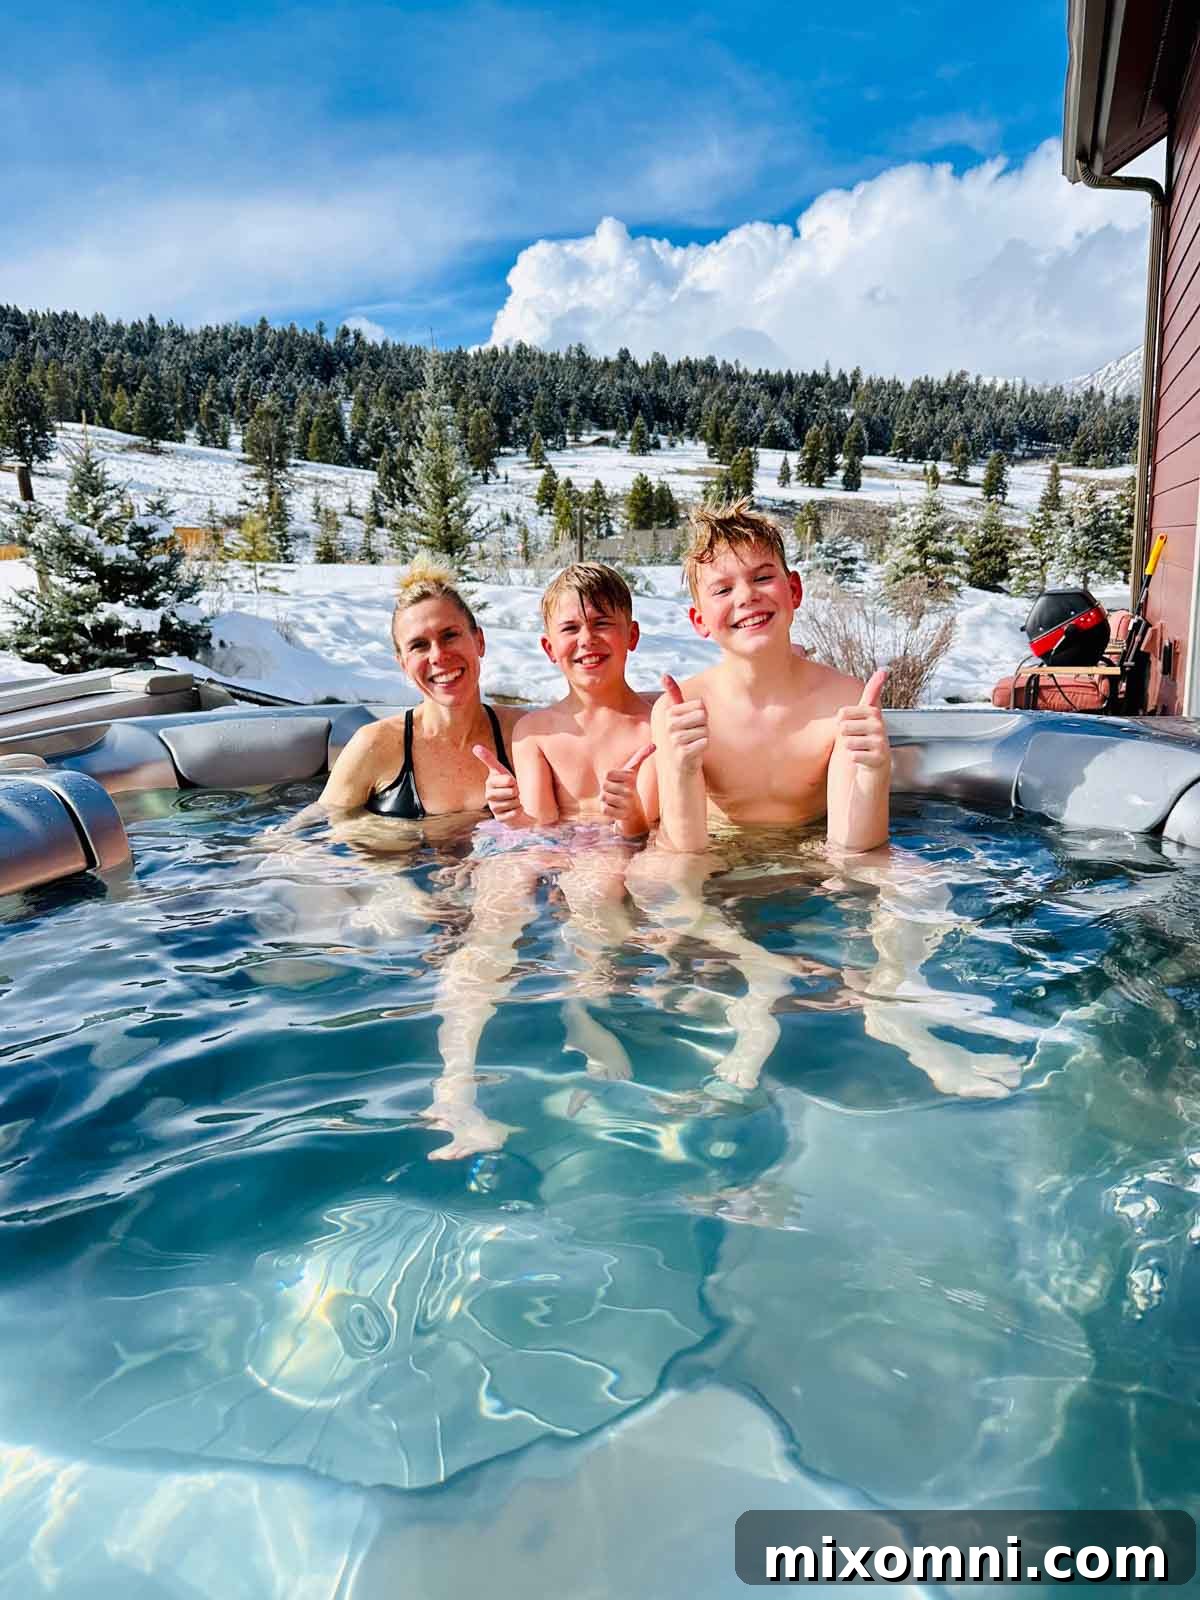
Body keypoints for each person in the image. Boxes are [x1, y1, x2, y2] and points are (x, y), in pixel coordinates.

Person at [651, 499, 890, 854]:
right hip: (720, 854)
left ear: (794, 591)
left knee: (913, 893)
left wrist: (874, 772)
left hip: (811, 854)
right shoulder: (681, 710)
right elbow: (682, 852)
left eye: (762, 578)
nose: (747, 596)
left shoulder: (844, 701)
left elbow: (855, 852)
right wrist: (681, 769)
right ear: (699, 620)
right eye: (722, 590)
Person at [313, 557, 521, 822]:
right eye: (419, 645)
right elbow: (315, 833)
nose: (438, 656)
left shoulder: (521, 735)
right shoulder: (376, 745)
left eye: (450, 635)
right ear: (403, 664)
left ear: (479, 641)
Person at [474, 561, 657, 839]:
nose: (587, 639)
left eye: (602, 623)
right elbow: (540, 831)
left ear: (631, 635)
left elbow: (653, 833)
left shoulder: (654, 728)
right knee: (503, 878)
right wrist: (514, 816)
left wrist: (632, 815)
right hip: (560, 857)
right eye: (570, 628)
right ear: (549, 648)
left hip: (633, 855)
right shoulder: (536, 733)